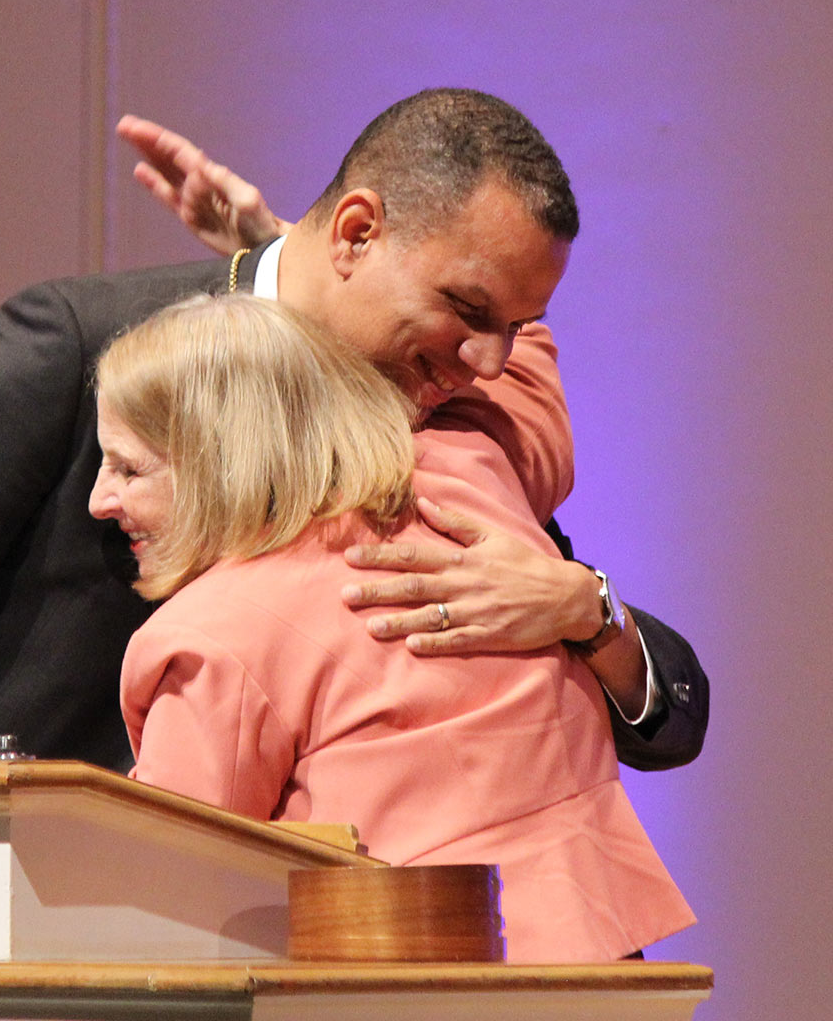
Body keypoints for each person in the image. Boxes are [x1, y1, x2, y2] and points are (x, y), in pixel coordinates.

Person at [0, 89, 706, 771]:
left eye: (518, 329)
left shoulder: (436, 418)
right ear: (358, 232)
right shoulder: (76, 345)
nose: (490, 363)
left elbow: (668, 708)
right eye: (468, 308)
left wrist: (591, 611)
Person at [96, 293, 693, 961]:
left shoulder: (208, 640)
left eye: (126, 467)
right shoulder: (472, 472)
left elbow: (165, 909)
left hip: (405, 987)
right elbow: (526, 356)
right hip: (606, 967)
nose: (99, 500)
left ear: (220, 461)